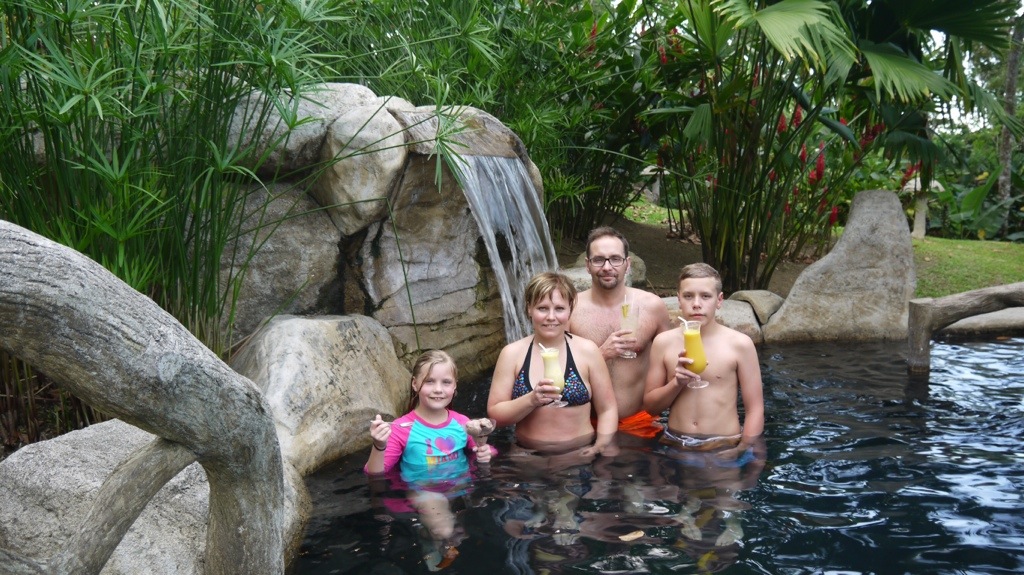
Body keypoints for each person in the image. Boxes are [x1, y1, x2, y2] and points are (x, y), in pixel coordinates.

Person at [365, 349, 493, 570]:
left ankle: (428, 534)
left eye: (446, 382)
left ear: (455, 386)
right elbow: (375, 473)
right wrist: (379, 445)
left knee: (461, 530)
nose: (438, 389)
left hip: (460, 487)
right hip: (424, 490)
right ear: (415, 384)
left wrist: (485, 453)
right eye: (429, 381)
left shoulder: (462, 423)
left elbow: (481, 452)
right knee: (445, 531)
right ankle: (433, 540)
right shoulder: (401, 428)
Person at [488, 271, 618, 456]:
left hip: (578, 455)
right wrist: (531, 400)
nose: (551, 317)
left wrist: (601, 445)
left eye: (559, 308)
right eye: (542, 308)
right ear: (529, 309)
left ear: (570, 309)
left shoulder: (588, 351)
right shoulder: (512, 354)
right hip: (527, 457)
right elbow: (495, 416)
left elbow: (607, 409)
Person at [643, 263, 765, 461]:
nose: (696, 304)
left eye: (706, 296)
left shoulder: (740, 344)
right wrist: (676, 383)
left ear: (719, 300)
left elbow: (755, 409)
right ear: (679, 300)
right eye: (688, 296)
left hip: (722, 444)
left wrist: (742, 448)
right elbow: (651, 407)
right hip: (676, 442)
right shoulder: (663, 343)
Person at [569, 226, 672, 439]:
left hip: (641, 422)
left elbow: (670, 365)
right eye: (599, 260)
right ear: (587, 265)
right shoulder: (570, 310)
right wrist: (600, 354)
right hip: (585, 424)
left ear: (628, 264)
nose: (607, 267)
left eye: (615, 259)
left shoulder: (652, 306)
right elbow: (555, 372)